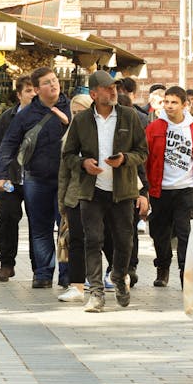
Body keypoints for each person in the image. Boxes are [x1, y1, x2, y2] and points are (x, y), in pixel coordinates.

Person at [63, 70, 149, 312]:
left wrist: (124, 159)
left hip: (123, 190)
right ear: (93, 93)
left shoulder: (129, 116)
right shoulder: (81, 121)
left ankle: (120, 276)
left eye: (114, 87)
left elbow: (143, 152)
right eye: (107, 88)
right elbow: (68, 155)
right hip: (92, 191)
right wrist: (83, 164)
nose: (113, 91)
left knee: (124, 240)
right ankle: (96, 293)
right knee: (93, 240)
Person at [0, 67, 71, 289]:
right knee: (40, 228)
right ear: (37, 90)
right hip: (36, 178)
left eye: (55, 80)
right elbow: (8, 143)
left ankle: (68, 275)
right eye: (47, 83)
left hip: (65, 179)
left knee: (66, 227)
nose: (53, 85)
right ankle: (43, 273)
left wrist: (68, 123)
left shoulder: (71, 107)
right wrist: (0, 175)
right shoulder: (26, 115)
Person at [144, 86, 193, 287]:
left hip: (186, 188)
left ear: (184, 105)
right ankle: (162, 267)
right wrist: (144, 188)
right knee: (159, 232)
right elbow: (145, 157)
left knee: (184, 232)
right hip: (160, 189)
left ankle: (184, 272)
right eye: (166, 102)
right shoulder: (154, 128)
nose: (169, 106)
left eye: (174, 102)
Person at [0, 76, 36, 282]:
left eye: (35, 90)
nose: (33, 94)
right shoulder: (7, 118)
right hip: (9, 178)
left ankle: (39, 267)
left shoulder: (46, 116)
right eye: (29, 90)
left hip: (35, 179)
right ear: (19, 94)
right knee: (6, 219)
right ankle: (6, 264)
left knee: (38, 224)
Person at [56, 93, 94, 303]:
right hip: (75, 194)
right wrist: (62, 202)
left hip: (99, 194)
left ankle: (115, 274)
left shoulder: (99, 133)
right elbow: (64, 172)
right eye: (74, 112)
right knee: (76, 239)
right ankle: (77, 285)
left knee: (102, 240)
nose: (78, 116)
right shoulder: (69, 136)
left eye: (82, 112)